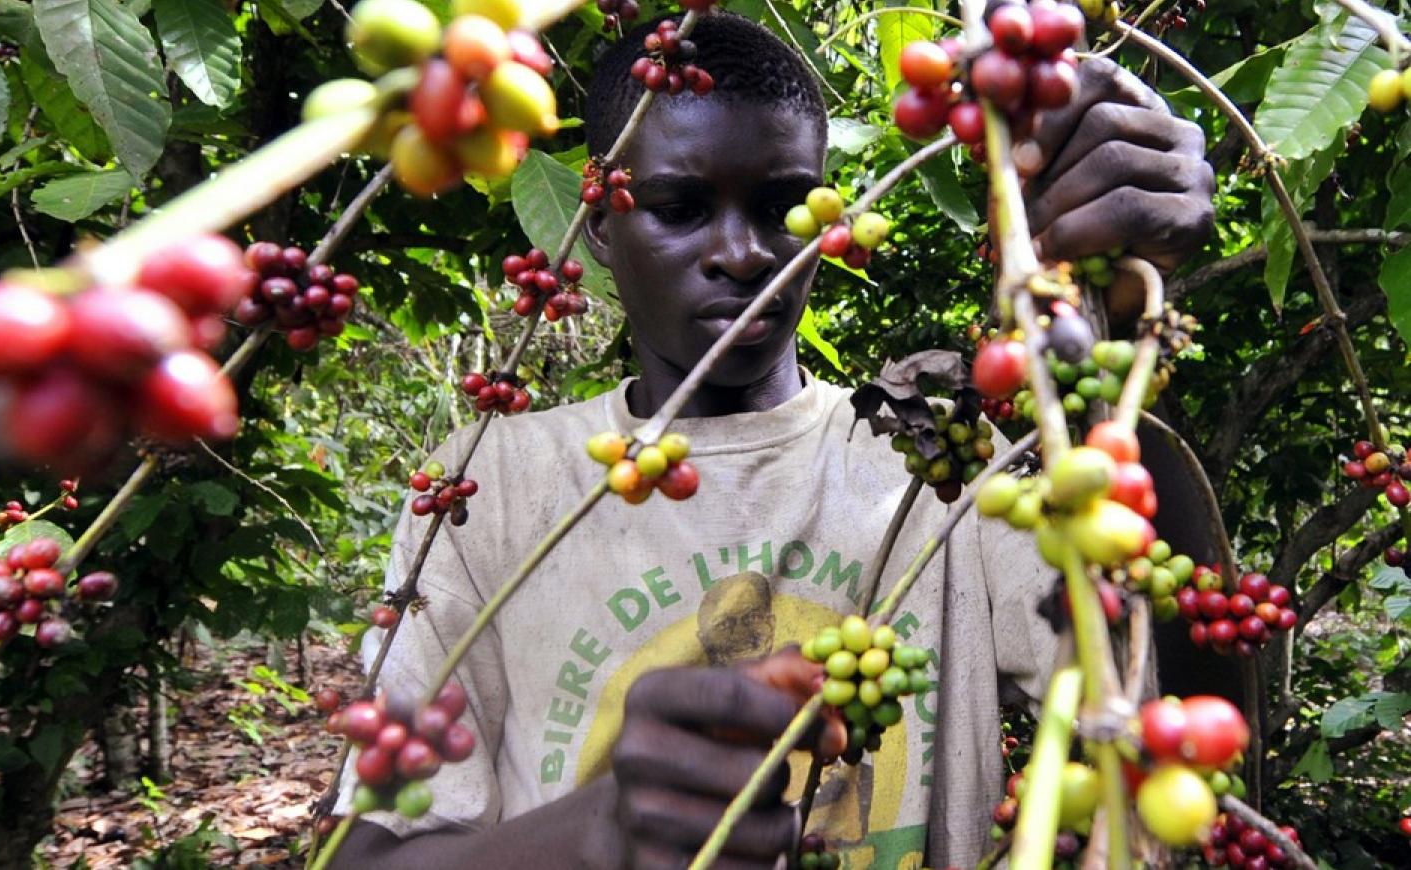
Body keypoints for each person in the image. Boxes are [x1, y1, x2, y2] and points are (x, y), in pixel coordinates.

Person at [333, 12, 1215, 869]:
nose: (742, 253)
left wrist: (1119, 333)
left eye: (783, 209)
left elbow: (1155, 703)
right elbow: (365, 853)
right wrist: (597, 837)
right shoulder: (489, 488)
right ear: (598, 223)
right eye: (680, 207)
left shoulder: (940, 465)